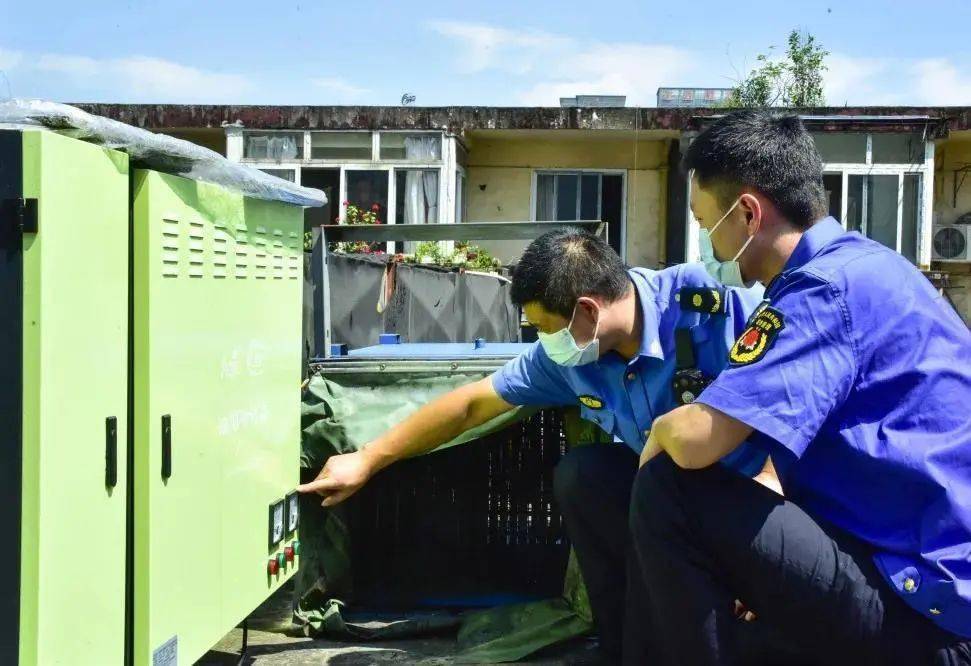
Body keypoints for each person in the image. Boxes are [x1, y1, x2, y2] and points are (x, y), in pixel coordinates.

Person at [298, 228, 769, 661]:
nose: (543, 341)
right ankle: (624, 645)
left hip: (755, 495)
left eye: (545, 328)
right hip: (668, 500)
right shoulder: (567, 357)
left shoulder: (713, 304)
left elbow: (798, 400)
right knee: (586, 476)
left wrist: (762, 544)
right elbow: (472, 405)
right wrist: (368, 458)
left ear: (587, 310)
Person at [634, 110, 971, 665]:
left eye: (703, 222)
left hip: (926, 609)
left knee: (668, 486)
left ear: (746, 212)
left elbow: (697, 441)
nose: (704, 244)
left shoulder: (819, 291)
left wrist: (660, 434)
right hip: (927, 577)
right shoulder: (868, 266)